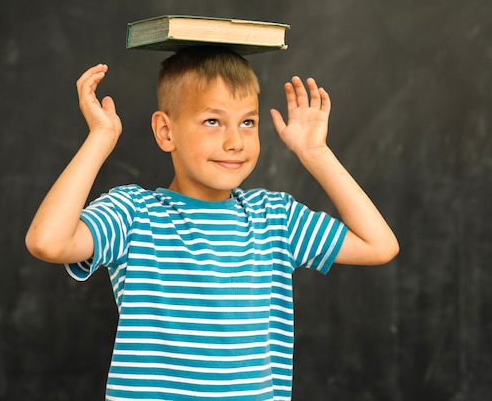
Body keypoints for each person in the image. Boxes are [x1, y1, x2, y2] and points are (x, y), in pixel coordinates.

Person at [25, 46, 399, 400]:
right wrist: (101, 137)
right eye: (212, 121)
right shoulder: (133, 213)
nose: (235, 141)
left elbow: (379, 246)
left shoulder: (275, 218)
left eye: (248, 122)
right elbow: (49, 242)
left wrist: (315, 153)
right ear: (166, 132)